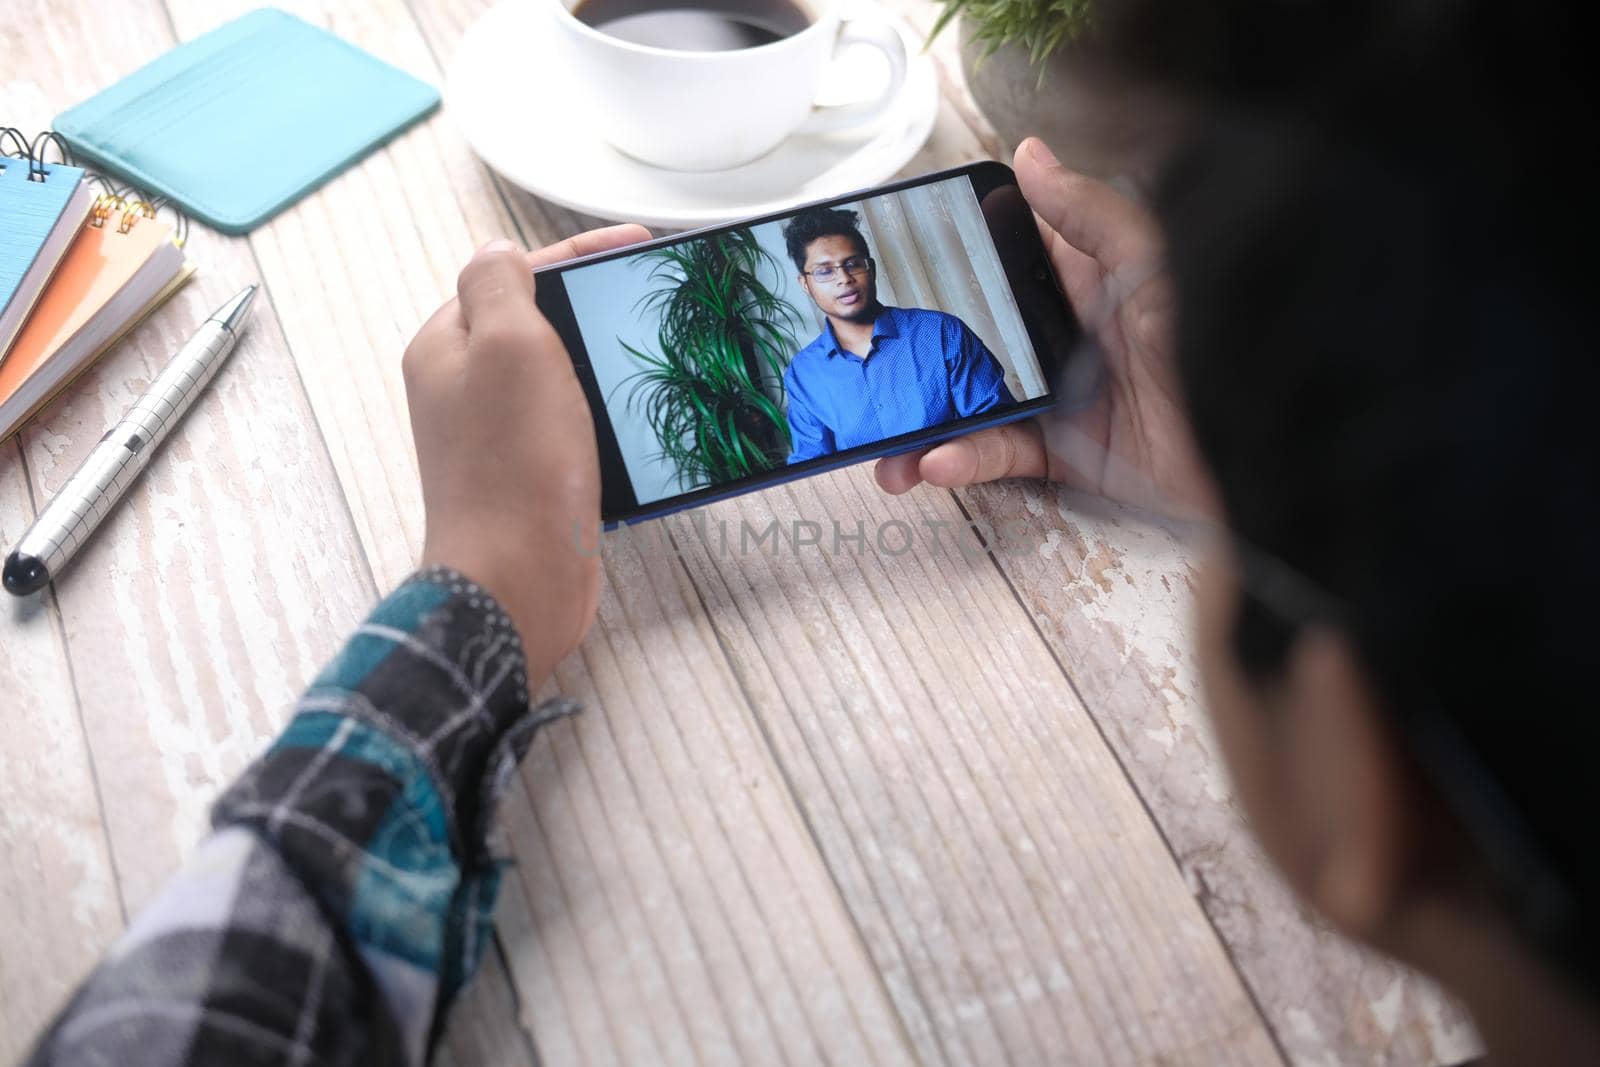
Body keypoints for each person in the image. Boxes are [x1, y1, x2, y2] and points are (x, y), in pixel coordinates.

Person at [26, 24, 1600, 1067]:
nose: (842, 281)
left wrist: (489, 586)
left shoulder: (942, 342)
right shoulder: (792, 377)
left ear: (1354, 775)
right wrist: (1255, 474)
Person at [779, 207, 1015, 464]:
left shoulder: (941, 332)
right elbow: (813, 466)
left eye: (853, 264)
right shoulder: (803, 373)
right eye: (825, 271)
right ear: (805, 284)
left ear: (871, 269)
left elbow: (999, 427)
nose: (844, 279)